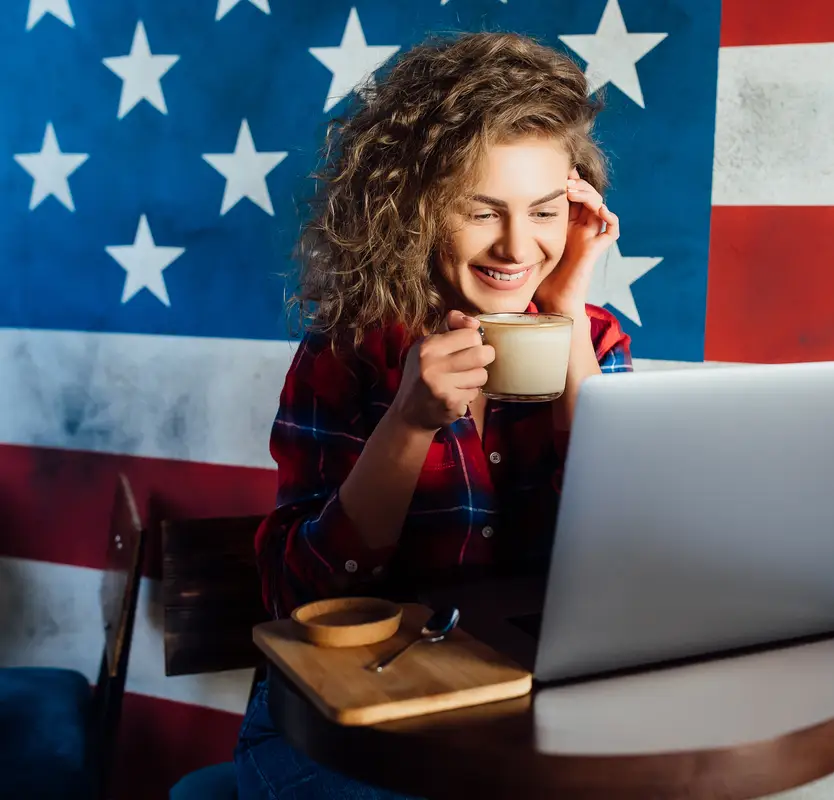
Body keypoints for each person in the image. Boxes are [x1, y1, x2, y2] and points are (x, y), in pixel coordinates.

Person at [233, 30, 633, 800]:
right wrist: (408, 423)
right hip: (343, 725)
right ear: (413, 211)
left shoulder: (594, 338)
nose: (519, 245)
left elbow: (632, 547)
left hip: (510, 721)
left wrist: (569, 316)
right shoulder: (349, 350)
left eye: (545, 211)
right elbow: (300, 599)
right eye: (480, 212)